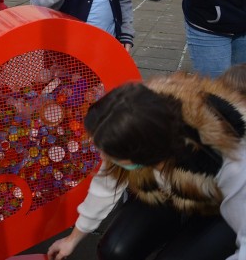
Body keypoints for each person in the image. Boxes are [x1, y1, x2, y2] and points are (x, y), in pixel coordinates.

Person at [47, 68, 246, 260]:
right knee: (115, 250)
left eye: (110, 153)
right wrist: (72, 240)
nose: (102, 156)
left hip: (220, 208)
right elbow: (105, 185)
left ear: (145, 154)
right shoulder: (130, 119)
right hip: (165, 192)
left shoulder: (231, 156)